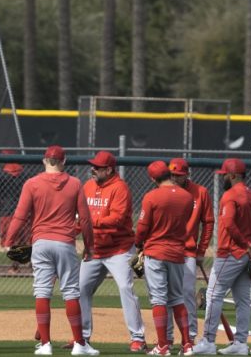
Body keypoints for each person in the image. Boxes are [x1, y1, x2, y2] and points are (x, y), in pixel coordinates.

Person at [4, 145, 99, 356]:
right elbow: (84, 219)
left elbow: (20, 215)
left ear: (44, 161)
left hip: (41, 242)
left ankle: (45, 344)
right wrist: (89, 246)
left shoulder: (32, 183)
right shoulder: (75, 184)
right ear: (64, 162)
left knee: (42, 291)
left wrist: (9, 239)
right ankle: (79, 345)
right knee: (71, 292)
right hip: (65, 242)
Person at [76, 150, 147, 353]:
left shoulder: (120, 188)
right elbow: (79, 217)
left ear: (109, 169)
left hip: (119, 249)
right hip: (94, 249)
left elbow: (116, 219)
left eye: (97, 167)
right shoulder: (88, 186)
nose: (93, 169)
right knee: (80, 289)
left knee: (125, 288)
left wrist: (89, 222)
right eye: (93, 166)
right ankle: (82, 337)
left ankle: (138, 337)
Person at [191, 158, 251, 356]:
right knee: (242, 300)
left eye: (225, 175)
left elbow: (229, 223)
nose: (223, 178)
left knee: (213, 294)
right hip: (245, 254)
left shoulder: (230, 195)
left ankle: (208, 341)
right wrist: (249, 246)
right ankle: (240, 344)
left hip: (230, 253)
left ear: (232, 175)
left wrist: (245, 244)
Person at [134, 160, 195, 356]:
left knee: (159, 300)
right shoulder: (187, 197)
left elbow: (143, 227)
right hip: (177, 252)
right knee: (177, 298)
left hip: (156, 252)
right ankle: (187, 345)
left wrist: (138, 244)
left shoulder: (151, 196)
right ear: (169, 174)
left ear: (153, 178)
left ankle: (163, 346)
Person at [164, 157, 214, 349]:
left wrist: (202, 250)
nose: (175, 178)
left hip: (188, 251)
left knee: (186, 294)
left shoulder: (200, 192)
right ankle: (167, 338)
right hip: (166, 249)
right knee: (166, 295)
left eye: (179, 175)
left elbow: (208, 222)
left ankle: (190, 335)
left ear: (187, 174)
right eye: (172, 175)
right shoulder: (164, 191)